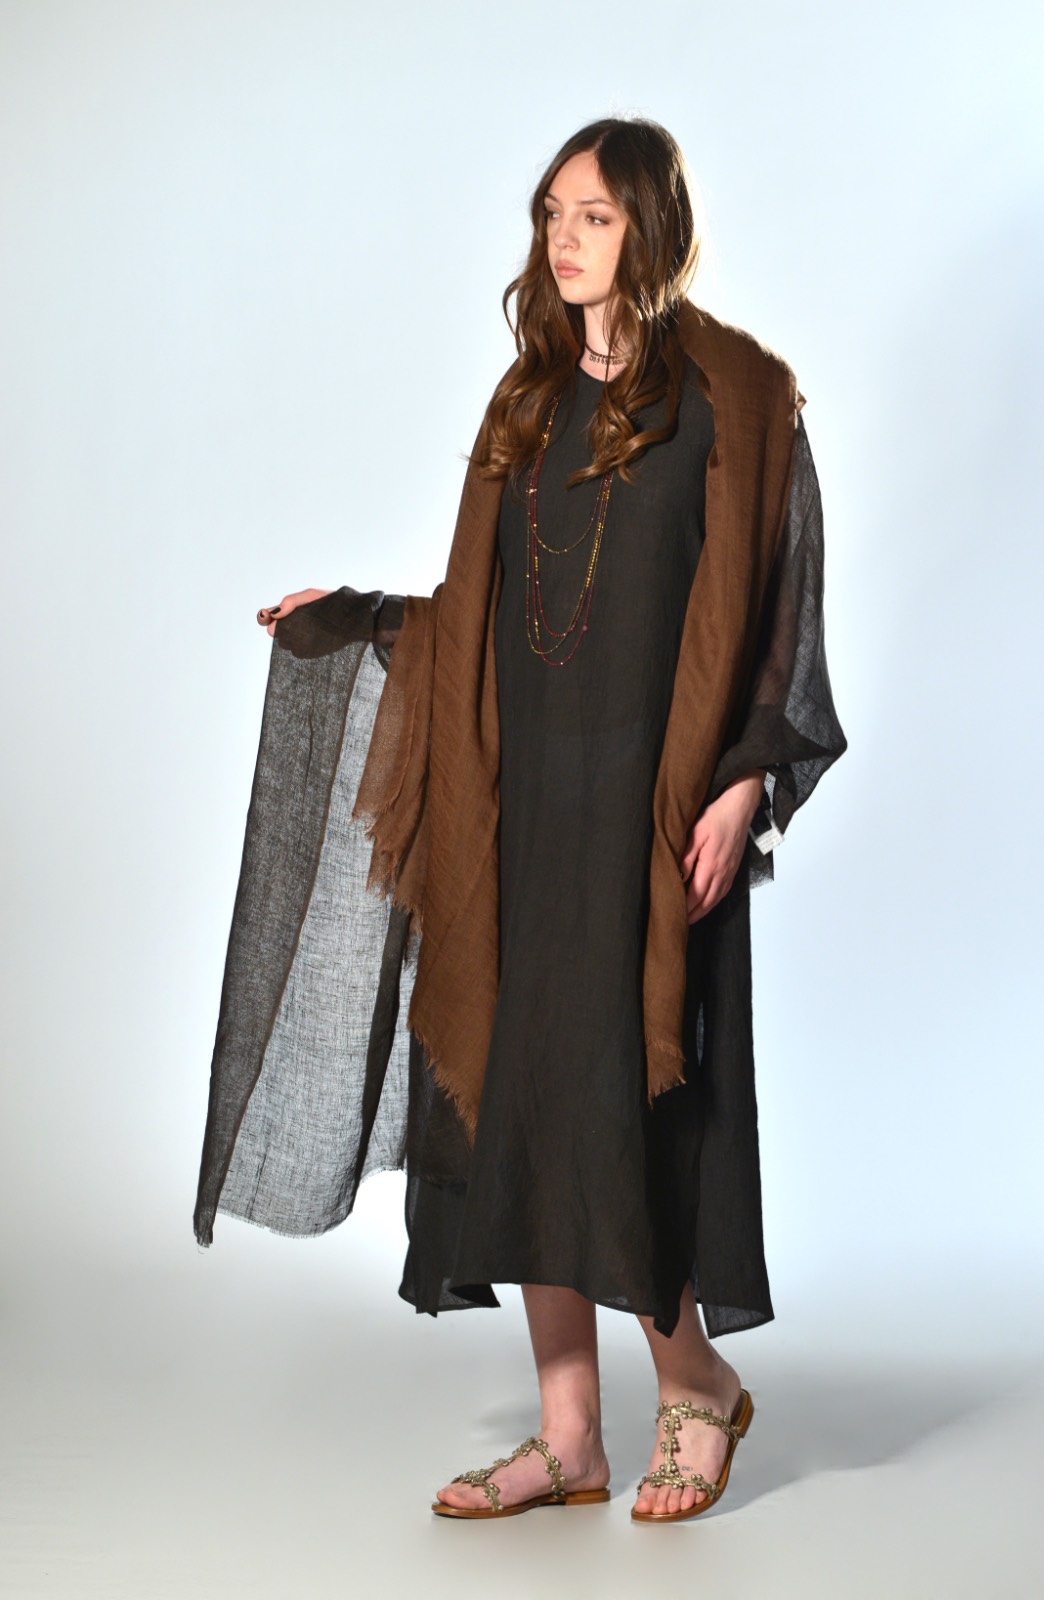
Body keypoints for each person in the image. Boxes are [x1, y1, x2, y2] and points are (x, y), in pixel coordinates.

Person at [197, 115, 846, 1524]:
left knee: (627, 1100)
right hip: (525, 801)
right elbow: (482, 619)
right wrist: (352, 617)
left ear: (653, 227)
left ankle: (696, 1387)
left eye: (595, 215)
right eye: (552, 212)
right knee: (519, 1091)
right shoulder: (527, 399)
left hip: (652, 813)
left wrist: (743, 784)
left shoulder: (738, 395)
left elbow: (780, 616)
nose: (564, 238)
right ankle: (570, 1436)